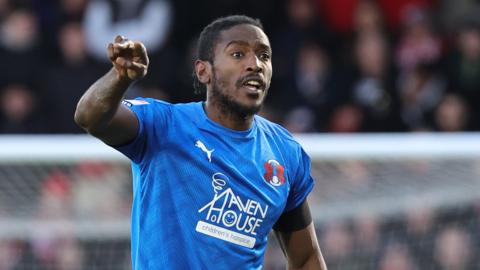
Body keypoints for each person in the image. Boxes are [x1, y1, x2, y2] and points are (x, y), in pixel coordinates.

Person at [74, 15, 327, 270]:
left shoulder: (283, 151)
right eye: (238, 54)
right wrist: (120, 77)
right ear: (203, 71)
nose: (255, 64)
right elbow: (89, 117)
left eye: (264, 56)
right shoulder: (164, 125)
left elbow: (306, 258)